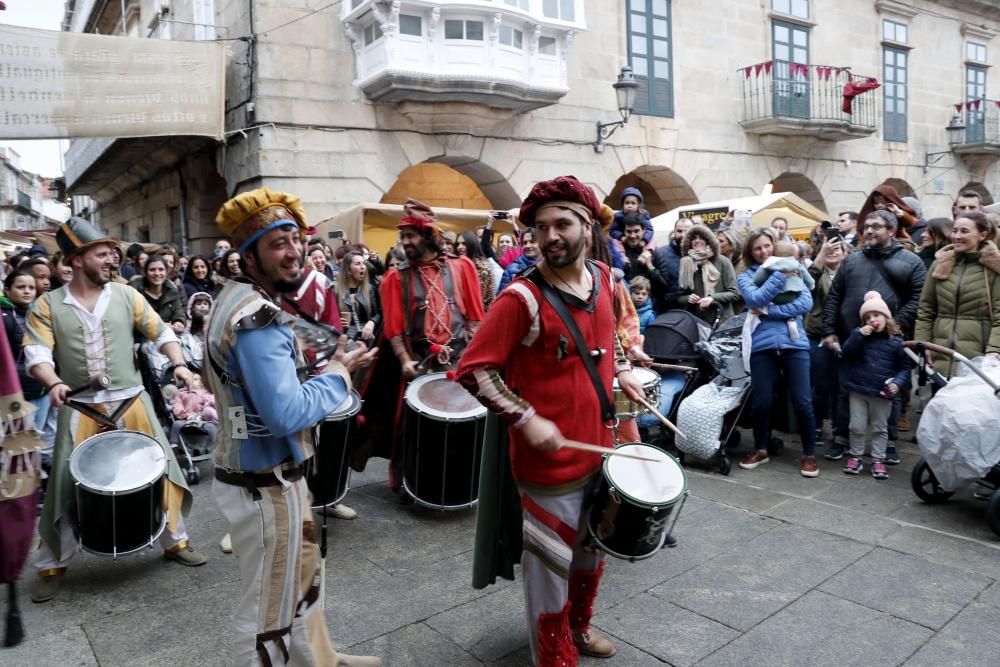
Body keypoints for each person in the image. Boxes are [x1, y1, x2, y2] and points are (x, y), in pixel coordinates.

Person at [457, 175, 647, 666]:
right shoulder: (521, 298)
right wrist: (524, 417)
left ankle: (579, 629)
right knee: (549, 571)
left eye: (562, 223)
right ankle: (554, 654)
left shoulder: (605, 278)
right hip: (548, 466)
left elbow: (612, 339)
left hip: (602, 451)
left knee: (591, 551)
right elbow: (474, 371)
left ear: (587, 226)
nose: (549, 237)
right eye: (540, 228)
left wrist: (622, 370)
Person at [206, 187, 381, 667]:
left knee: (304, 581)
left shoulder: (238, 298)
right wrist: (340, 374)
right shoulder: (256, 318)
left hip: (272, 476)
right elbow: (285, 413)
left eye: (294, 238)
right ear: (249, 256)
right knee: (268, 610)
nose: (293, 251)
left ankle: (319, 657)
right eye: (276, 243)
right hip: (266, 485)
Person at [24, 218, 206, 604]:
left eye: (112, 253)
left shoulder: (128, 296)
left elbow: (162, 333)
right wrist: (54, 381)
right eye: (102, 254)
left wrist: (179, 364)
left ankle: (176, 541)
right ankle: (51, 563)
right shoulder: (47, 305)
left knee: (163, 473)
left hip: (131, 400)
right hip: (79, 407)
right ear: (76, 259)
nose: (112, 260)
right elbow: (36, 354)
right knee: (64, 485)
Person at [378, 199, 485, 497]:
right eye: (403, 236)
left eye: (411, 235)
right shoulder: (395, 278)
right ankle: (409, 486)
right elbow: (395, 332)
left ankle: (462, 483)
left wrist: (478, 358)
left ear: (429, 236)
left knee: (465, 426)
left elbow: (476, 319)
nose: (405, 242)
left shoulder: (463, 268)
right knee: (411, 431)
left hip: (460, 363)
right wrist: (403, 360)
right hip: (420, 365)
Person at [822, 209, 926, 463]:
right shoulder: (852, 260)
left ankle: (888, 443)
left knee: (889, 391)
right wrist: (829, 330)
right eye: (866, 226)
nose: (868, 230)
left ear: (891, 231)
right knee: (845, 389)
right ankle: (841, 438)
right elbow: (835, 296)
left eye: (876, 226)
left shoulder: (912, 262)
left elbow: (918, 299)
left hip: (888, 342)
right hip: (852, 337)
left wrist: (893, 325)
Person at [737, 228, 819, 477]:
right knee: (761, 403)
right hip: (762, 346)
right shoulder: (745, 276)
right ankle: (761, 448)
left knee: (803, 402)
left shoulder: (793, 264)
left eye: (767, 246)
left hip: (794, 344)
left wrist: (767, 311)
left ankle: (809, 454)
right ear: (751, 253)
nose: (764, 252)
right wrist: (779, 273)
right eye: (758, 248)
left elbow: (805, 303)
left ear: (774, 245)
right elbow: (754, 299)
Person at [915, 212, 1000, 378]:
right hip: (938, 356)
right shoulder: (940, 263)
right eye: (954, 231)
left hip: (977, 361)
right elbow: (926, 309)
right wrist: (923, 343)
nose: (957, 236)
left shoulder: (994, 267)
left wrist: (994, 351)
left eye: (964, 231)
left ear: (982, 235)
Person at [841, 292, 910, 480]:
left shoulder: (896, 341)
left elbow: (905, 368)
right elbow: (847, 353)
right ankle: (855, 456)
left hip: (882, 392)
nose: (873, 320)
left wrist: (897, 383)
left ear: (886, 317)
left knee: (880, 427)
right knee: (856, 426)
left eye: (876, 315)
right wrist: (857, 334)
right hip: (858, 389)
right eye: (868, 317)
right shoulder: (860, 337)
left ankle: (878, 459)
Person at [806, 236, 848, 445]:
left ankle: (840, 430)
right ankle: (815, 425)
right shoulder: (816, 272)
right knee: (820, 385)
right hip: (817, 334)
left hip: (844, 335)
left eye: (837, 248)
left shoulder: (850, 273)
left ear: (845, 252)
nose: (833, 251)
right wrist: (820, 256)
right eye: (828, 248)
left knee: (841, 386)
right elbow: (806, 286)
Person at [1, 270, 47, 433]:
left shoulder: (38, 314)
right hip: (13, 392)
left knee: (36, 437)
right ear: (7, 290)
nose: (27, 291)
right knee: (16, 442)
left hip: (40, 388)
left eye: (31, 288)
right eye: (21, 287)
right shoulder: (4, 317)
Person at [675, 223, 739, 324]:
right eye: (694, 238)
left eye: (701, 237)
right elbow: (679, 297)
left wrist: (712, 298)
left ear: (708, 241)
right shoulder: (686, 263)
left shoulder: (723, 261)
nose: (697, 240)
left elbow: (734, 294)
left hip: (722, 320)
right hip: (698, 322)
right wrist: (688, 298)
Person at [130, 255, 187, 333]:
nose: (157, 273)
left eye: (161, 269)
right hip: (141, 338)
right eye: (152, 270)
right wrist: (159, 326)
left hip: (167, 335)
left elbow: (179, 313)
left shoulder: (172, 291)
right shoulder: (134, 291)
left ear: (166, 272)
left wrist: (179, 322)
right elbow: (132, 320)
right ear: (146, 273)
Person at [335, 249, 382, 345]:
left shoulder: (369, 289)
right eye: (357, 264)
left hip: (367, 341)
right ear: (348, 269)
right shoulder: (335, 291)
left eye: (364, 263)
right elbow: (327, 319)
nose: (362, 267)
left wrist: (371, 322)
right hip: (344, 342)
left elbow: (379, 313)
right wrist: (336, 322)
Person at [651, 217, 691, 310]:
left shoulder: (699, 256)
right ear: (674, 232)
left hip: (692, 311)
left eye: (687, 231)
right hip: (666, 310)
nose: (682, 235)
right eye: (679, 231)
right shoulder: (661, 253)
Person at [456, 230, 502, 309]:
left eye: (464, 244)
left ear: (472, 244)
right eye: (457, 244)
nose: (460, 247)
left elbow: (479, 298)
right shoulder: (456, 266)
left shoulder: (482, 268)